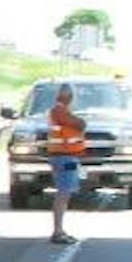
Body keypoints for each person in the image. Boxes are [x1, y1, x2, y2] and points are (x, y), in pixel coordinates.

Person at [46, 83, 86, 245]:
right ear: (69, 97)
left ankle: (59, 230)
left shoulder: (60, 110)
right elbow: (80, 124)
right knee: (63, 194)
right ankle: (58, 231)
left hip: (65, 156)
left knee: (65, 194)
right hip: (64, 157)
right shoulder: (60, 111)